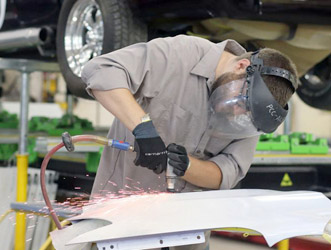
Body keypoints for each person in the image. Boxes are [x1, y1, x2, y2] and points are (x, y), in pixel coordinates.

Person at [81, 34, 298, 250]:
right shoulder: (180, 54)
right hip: (123, 224)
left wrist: (186, 166)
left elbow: (229, 171)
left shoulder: (249, 115)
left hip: (189, 234)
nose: (238, 112)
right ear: (242, 66)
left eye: (246, 113)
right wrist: (144, 131)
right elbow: (101, 70)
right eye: (242, 103)